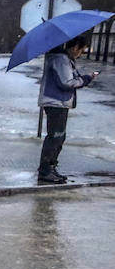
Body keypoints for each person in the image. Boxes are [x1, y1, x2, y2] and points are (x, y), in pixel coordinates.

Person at [37, 35, 98, 184]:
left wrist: (84, 77)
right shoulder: (60, 59)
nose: (80, 53)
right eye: (81, 50)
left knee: (59, 136)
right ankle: (46, 170)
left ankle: (50, 167)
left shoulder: (64, 59)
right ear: (75, 47)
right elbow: (66, 82)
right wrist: (86, 79)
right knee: (55, 136)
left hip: (58, 102)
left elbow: (68, 79)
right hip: (56, 102)